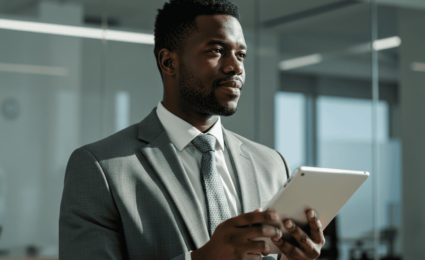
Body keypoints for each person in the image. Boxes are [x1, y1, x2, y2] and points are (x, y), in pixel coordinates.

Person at [59, 0, 325, 259]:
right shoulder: (101, 167)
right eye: (216, 51)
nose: (236, 67)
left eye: (241, 54)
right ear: (168, 62)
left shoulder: (271, 163)